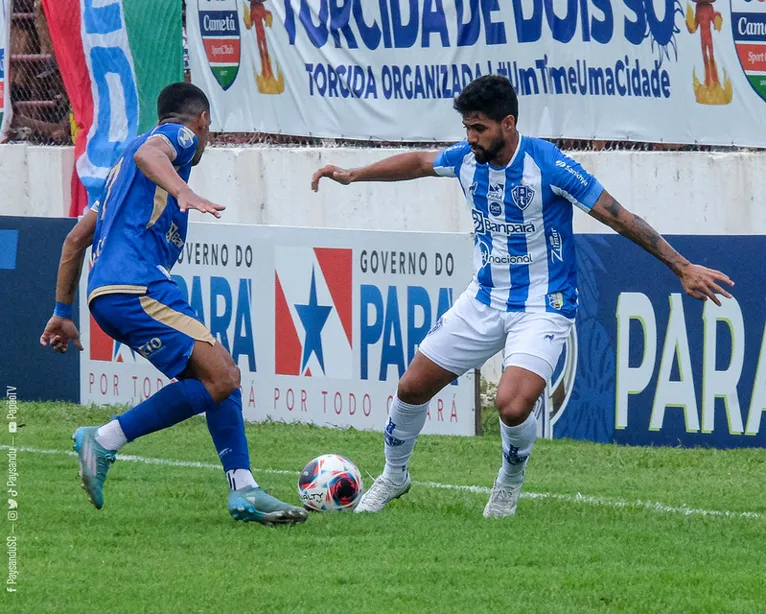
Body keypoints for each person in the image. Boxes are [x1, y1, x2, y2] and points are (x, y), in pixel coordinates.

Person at [311, 75, 734, 518]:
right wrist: (353, 174)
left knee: (511, 406)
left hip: (543, 305)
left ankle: (509, 480)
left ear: (508, 124)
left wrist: (681, 266)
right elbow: (418, 161)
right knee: (410, 387)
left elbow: (618, 216)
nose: (470, 138)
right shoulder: (466, 159)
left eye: (479, 129)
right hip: (485, 298)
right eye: (467, 129)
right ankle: (395, 475)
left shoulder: (549, 165)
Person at [40, 82, 308, 526]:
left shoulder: (118, 173)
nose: (205, 139)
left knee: (220, 374)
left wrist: (63, 313)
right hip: (138, 287)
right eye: (209, 130)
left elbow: (73, 242)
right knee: (222, 376)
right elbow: (154, 154)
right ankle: (103, 439)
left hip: (109, 295)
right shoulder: (176, 138)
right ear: (202, 121)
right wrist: (183, 190)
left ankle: (243, 490)